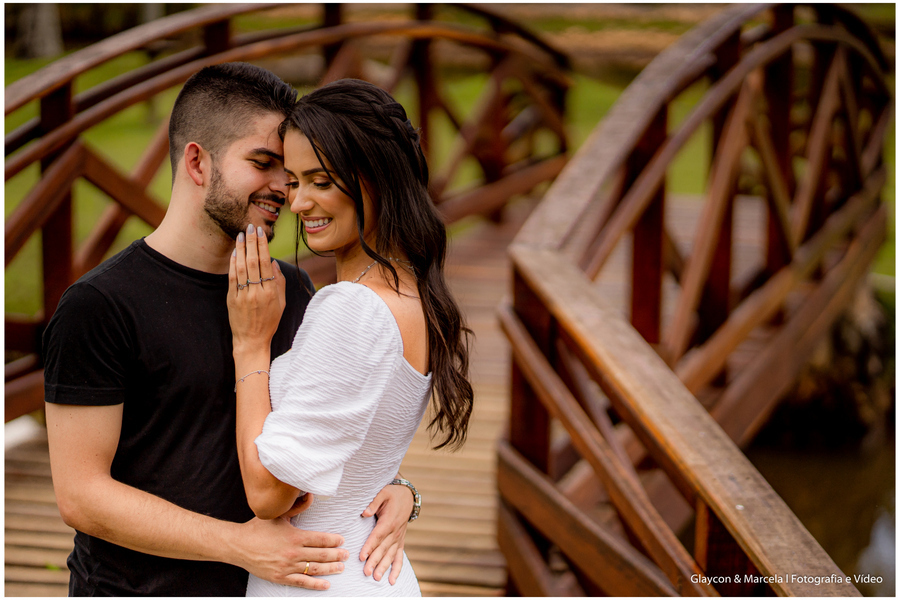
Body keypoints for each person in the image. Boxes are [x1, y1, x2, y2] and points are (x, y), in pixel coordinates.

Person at [42, 63, 416, 596]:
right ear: (197, 161)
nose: (284, 189)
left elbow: (322, 431)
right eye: (263, 164)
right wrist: (237, 545)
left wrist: (397, 488)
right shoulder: (100, 305)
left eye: (290, 172)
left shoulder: (292, 289)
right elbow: (81, 496)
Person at [226, 79, 475, 596]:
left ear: (377, 179)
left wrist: (250, 345)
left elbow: (269, 494)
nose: (298, 203)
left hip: (320, 578)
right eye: (293, 181)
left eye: (321, 180)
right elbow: (366, 443)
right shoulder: (413, 289)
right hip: (365, 569)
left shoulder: (353, 308)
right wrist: (403, 490)